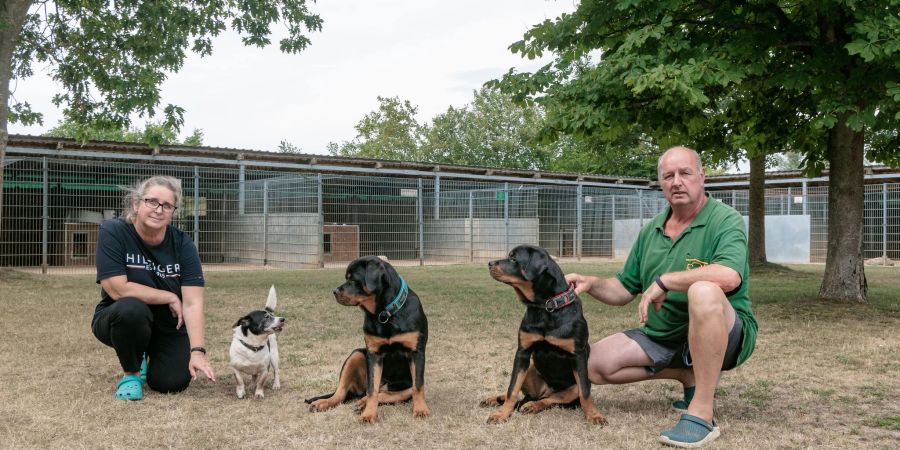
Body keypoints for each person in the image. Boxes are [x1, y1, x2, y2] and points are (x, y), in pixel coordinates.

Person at [566, 146, 757, 448]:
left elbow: (729, 276)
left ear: (702, 176)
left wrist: (666, 281)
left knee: (704, 289)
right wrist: (592, 283)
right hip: (663, 336)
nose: (676, 181)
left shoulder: (725, 219)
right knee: (591, 365)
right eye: (668, 176)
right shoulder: (650, 231)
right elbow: (623, 289)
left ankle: (702, 413)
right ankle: (685, 372)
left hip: (726, 332)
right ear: (661, 183)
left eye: (685, 173)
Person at [91, 175, 215, 400]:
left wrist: (197, 351)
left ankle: (150, 354)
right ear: (136, 204)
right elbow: (117, 289)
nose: (159, 209)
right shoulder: (114, 232)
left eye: (167, 205)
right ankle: (132, 373)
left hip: (168, 323)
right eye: (152, 202)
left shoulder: (183, 244)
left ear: (173, 211)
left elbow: (194, 302)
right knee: (131, 309)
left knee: (171, 383)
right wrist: (168, 296)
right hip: (120, 317)